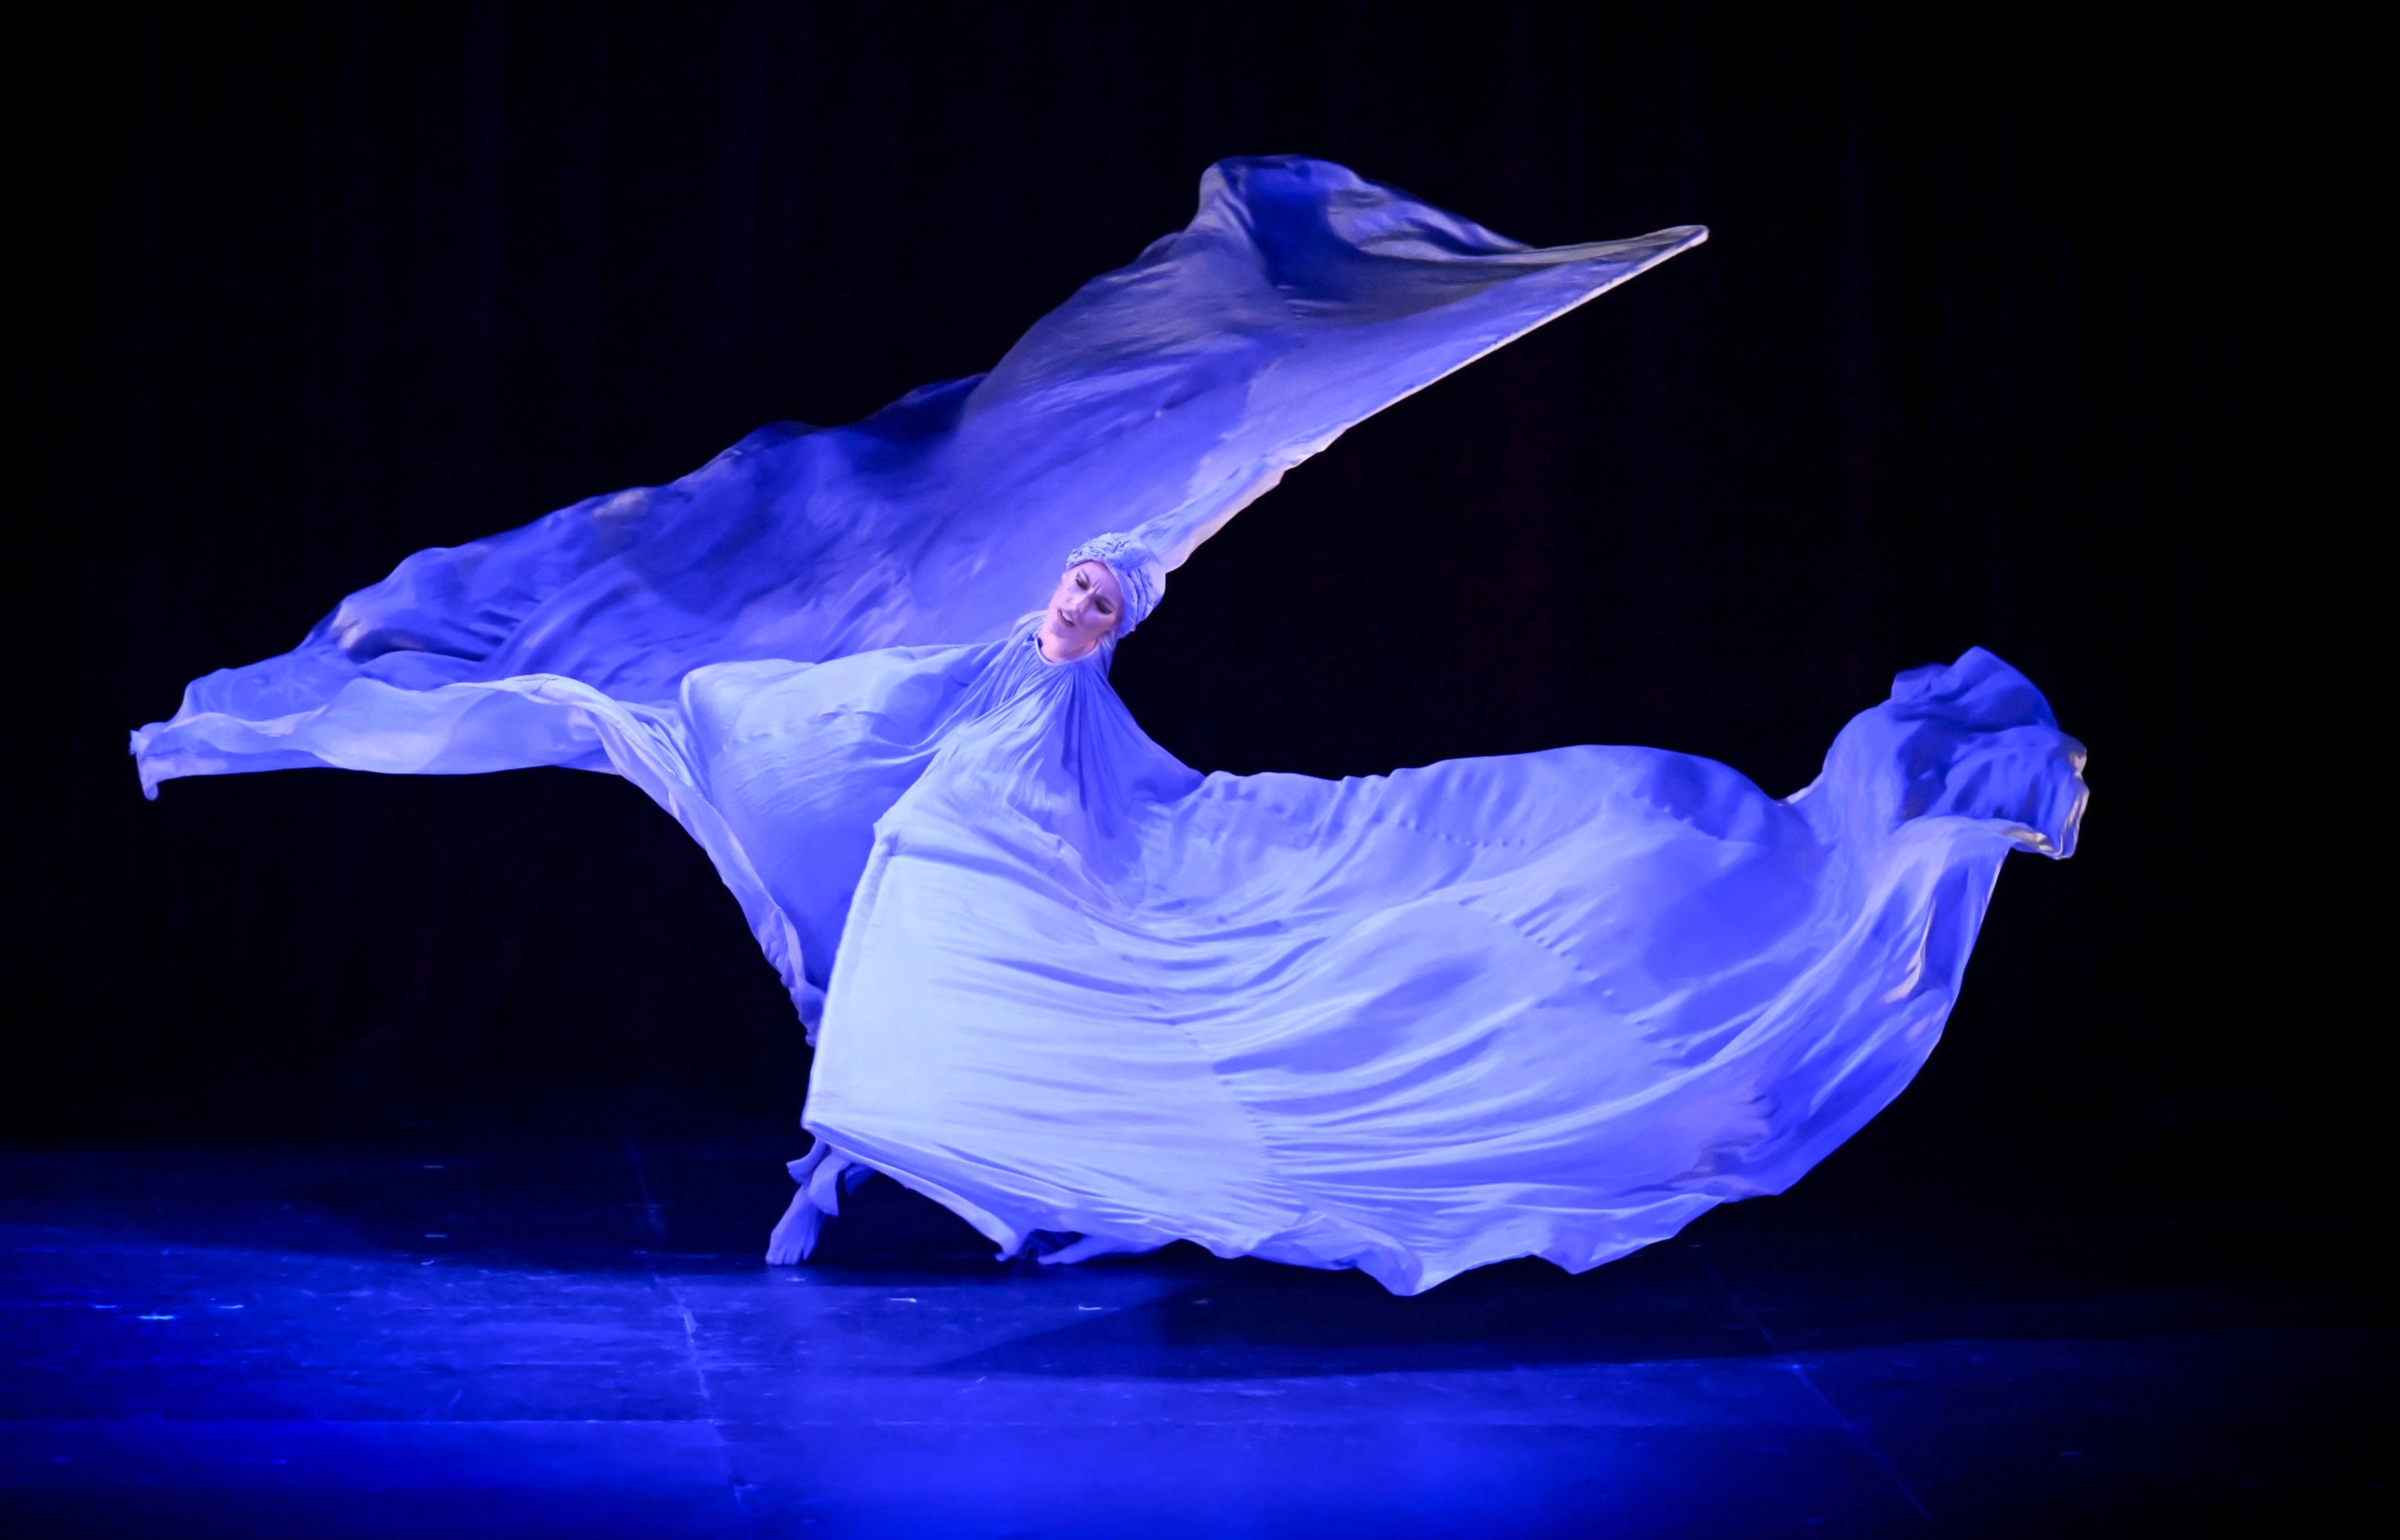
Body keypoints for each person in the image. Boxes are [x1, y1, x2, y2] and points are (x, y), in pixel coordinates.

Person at [132, 158, 2085, 1294]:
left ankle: (981, 1171)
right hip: (1020, 794)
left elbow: (1136, 544)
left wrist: (1095, 610)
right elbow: (1051, 603)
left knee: (1576, 834)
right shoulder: (953, 678)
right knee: (1135, 877)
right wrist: (1081, 620)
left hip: (1062, 795)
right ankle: (972, 1171)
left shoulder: (1065, 617)